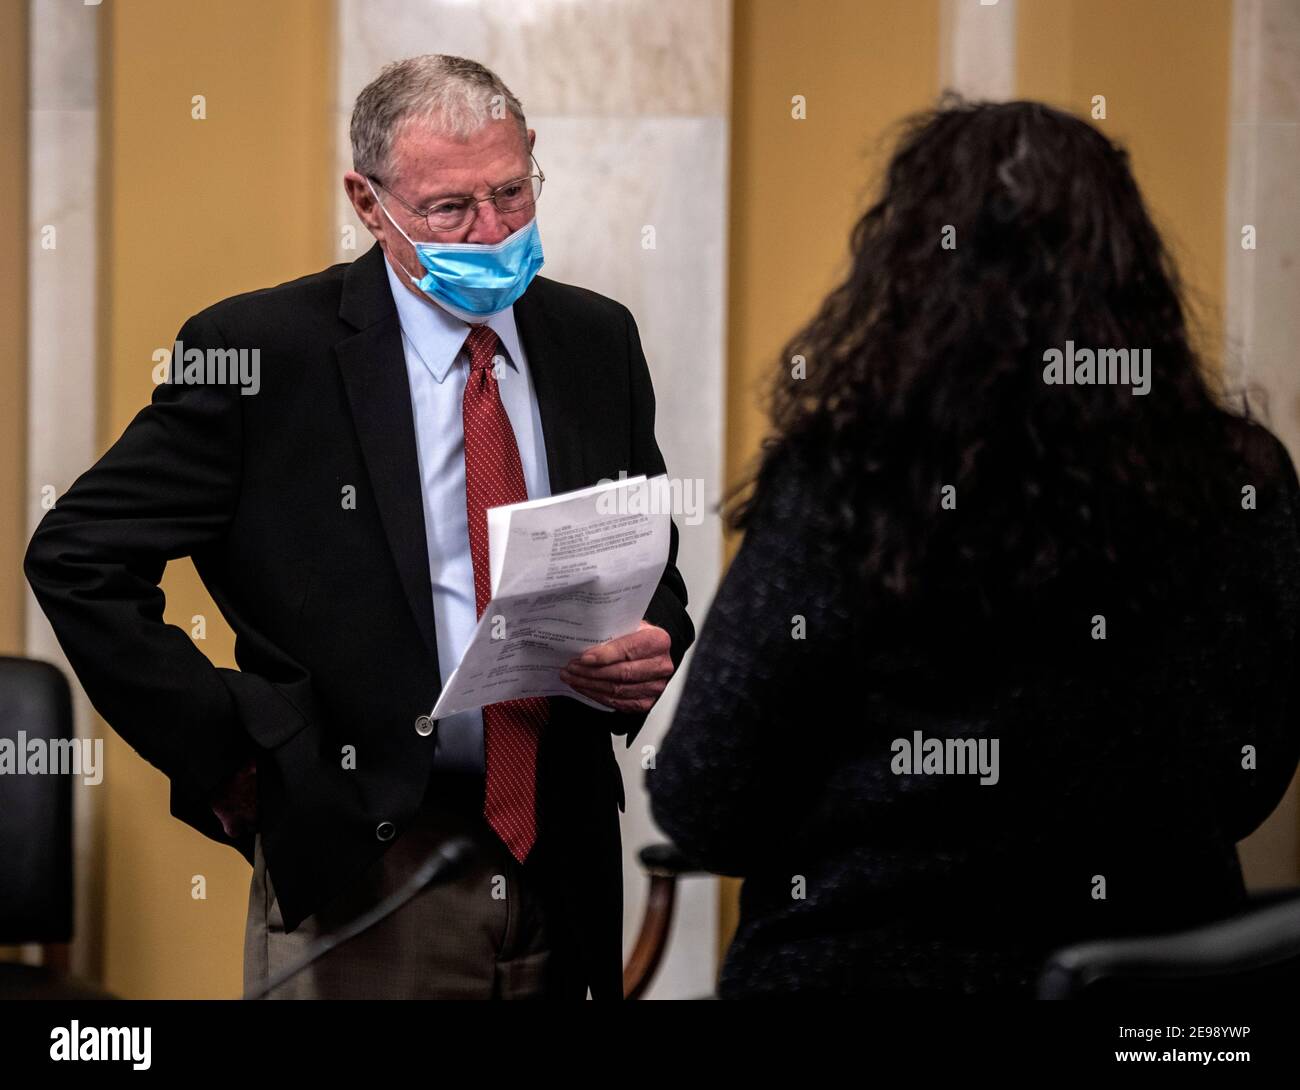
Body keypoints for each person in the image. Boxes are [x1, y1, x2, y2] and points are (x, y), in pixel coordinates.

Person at [25, 54, 693, 1000]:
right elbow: (77, 553)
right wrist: (233, 746)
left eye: (511, 192)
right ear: (369, 203)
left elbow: (644, 549)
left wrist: (654, 637)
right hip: (362, 862)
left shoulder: (595, 339)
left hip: (560, 852)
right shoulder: (260, 353)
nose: (493, 231)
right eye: (450, 210)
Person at [647, 94, 1300, 998]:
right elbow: (1249, 779)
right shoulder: (1244, 480)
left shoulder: (846, 485)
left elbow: (704, 800)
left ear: (908, 271)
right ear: (1135, 267)